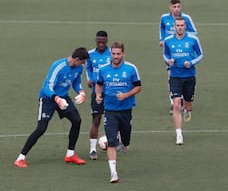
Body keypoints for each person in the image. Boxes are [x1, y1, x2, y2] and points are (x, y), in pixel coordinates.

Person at [14, 47, 89, 168]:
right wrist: (56, 99)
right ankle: (20, 158)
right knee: (41, 128)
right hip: (48, 99)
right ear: (76, 59)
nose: (84, 64)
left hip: (63, 97)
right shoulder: (58, 66)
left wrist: (81, 91)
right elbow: (47, 87)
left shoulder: (79, 68)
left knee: (77, 120)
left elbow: (76, 82)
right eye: (83, 61)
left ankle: (70, 154)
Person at [95, 41, 141, 183]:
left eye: (118, 54)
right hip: (110, 110)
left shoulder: (131, 68)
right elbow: (99, 84)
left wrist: (126, 95)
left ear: (123, 54)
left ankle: (123, 140)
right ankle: (113, 173)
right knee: (112, 143)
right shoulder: (103, 70)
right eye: (113, 54)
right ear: (111, 54)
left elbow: (138, 87)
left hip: (126, 110)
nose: (115, 56)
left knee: (125, 142)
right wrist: (98, 95)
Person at [163, 17, 204, 145]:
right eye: (178, 25)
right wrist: (168, 61)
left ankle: (188, 110)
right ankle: (179, 134)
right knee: (176, 105)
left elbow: (201, 54)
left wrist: (191, 63)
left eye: (182, 25)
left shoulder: (193, 39)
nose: (180, 27)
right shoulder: (168, 40)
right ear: (174, 27)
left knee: (188, 103)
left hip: (189, 76)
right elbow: (165, 54)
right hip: (175, 76)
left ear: (185, 26)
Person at [159, 0, 198, 115]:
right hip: (171, 52)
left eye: (178, 6)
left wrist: (182, 35)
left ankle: (184, 101)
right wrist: (162, 39)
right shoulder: (164, 18)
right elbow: (161, 28)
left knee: (184, 76)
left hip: (184, 52)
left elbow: (195, 32)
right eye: (174, 7)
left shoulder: (186, 18)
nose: (176, 9)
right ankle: (174, 102)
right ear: (170, 7)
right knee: (170, 76)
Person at [86, 30, 112, 160]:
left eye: (103, 41)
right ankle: (92, 149)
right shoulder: (90, 54)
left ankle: (114, 143)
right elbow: (89, 68)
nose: (101, 44)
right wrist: (89, 79)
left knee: (112, 119)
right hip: (96, 92)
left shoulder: (112, 53)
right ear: (96, 40)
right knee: (96, 119)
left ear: (107, 41)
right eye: (99, 41)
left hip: (111, 91)